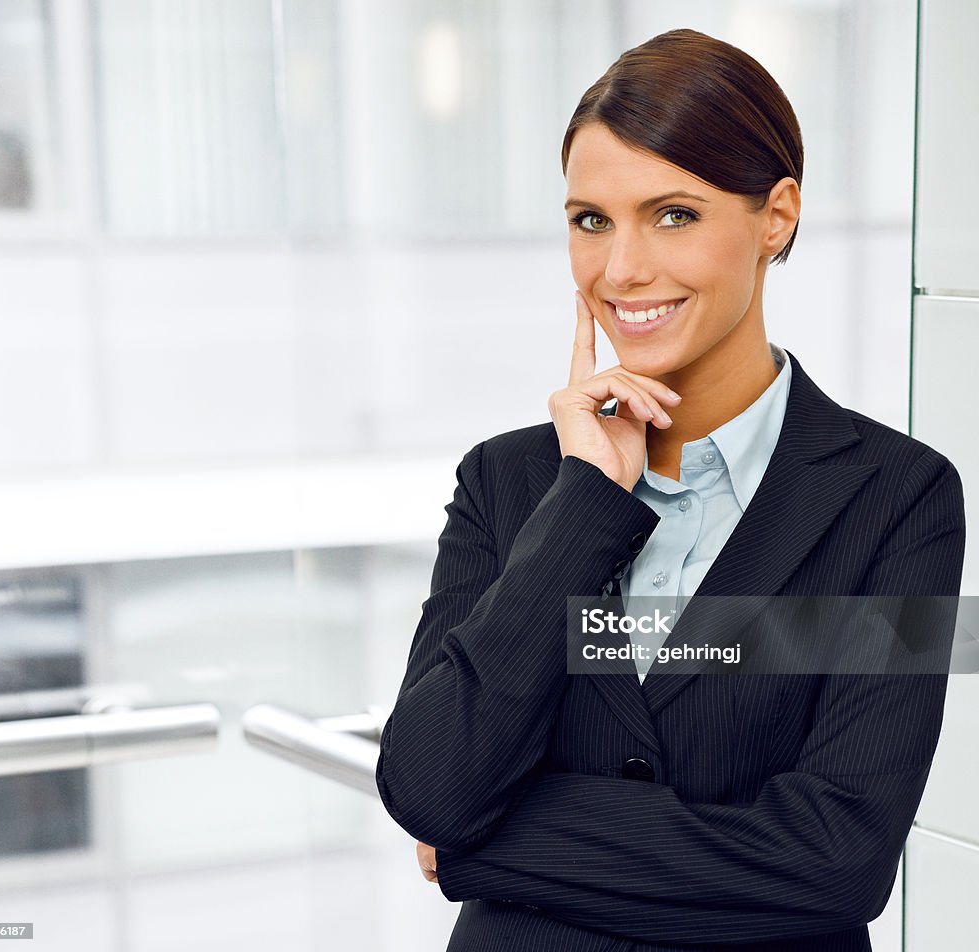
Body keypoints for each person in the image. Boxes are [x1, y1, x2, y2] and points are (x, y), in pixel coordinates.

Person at [375, 27, 966, 952]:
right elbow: (428, 784)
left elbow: (837, 862)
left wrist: (480, 850)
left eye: (674, 215)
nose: (621, 270)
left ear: (775, 216)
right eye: (590, 220)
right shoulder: (509, 480)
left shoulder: (897, 499)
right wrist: (584, 505)